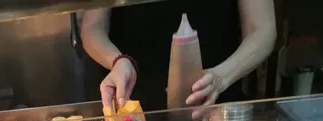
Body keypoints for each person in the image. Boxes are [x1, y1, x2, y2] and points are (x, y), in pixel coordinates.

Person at [80, 1, 276, 114]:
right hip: (131, 106)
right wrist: (117, 60)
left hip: (214, 104)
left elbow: (263, 30)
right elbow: (92, 27)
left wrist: (221, 77)